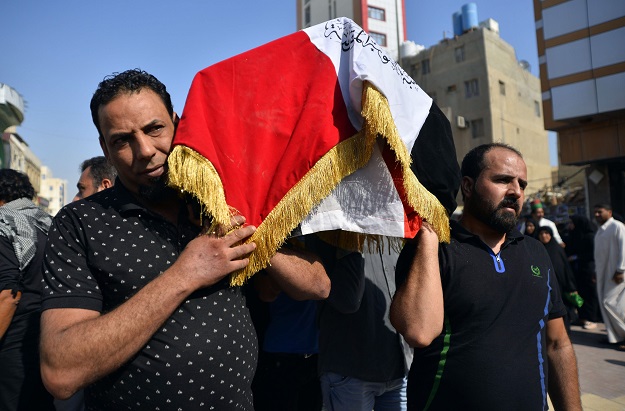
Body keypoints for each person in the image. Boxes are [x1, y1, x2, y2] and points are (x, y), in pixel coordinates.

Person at [39, 69, 330, 410]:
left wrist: (248, 233)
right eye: (122, 140)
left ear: (177, 123)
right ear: (105, 146)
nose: (145, 150)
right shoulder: (80, 223)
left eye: (154, 129)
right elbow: (61, 371)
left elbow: (318, 286)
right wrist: (185, 273)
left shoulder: (218, 199)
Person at [391, 143, 582, 411]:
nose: (516, 191)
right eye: (503, 180)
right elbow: (418, 332)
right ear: (468, 186)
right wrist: (428, 238)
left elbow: (557, 344)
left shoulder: (535, 251)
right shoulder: (434, 249)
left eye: (522, 184)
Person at [311, 236, 412, 411]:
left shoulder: (391, 229)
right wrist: (351, 240)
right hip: (350, 372)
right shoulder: (327, 231)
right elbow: (348, 300)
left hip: (399, 369)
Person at [0, 169, 55, 411]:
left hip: (12, 344)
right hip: (46, 334)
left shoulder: (4, 224)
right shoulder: (47, 223)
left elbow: (9, 297)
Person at [593, 203, 625, 348]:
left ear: (609, 212)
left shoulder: (617, 227)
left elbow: (624, 248)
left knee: (610, 303)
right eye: (595, 212)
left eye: (600, 212)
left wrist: (620, 270)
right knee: (605, 302)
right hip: (603, 274)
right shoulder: (600, 231)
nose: (597, 215)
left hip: (616, 273)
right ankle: (614, 337)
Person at [537, 225, 579, 333]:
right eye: (541, 234)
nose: (543, 236)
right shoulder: (538, 249)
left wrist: (570, 286)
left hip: (559, 287)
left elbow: (564, 270)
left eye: (546, 233)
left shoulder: (557, 249)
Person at [565, 215, 600, 329]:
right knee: (581, 294)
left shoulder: (590, 237)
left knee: (590, 294)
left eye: (572, 223)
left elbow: (592, 254)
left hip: (588, 269)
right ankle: (583, 317)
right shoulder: (575, 236)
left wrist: (576, 257)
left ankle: (592, 318)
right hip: (578, 270)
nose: (570, 225)